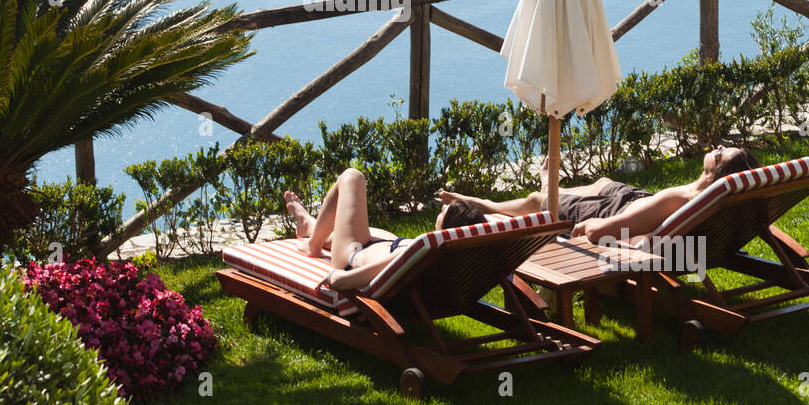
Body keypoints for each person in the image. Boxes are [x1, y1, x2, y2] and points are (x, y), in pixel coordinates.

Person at [438, 144, 760, 247]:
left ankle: (487, 205)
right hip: (630, 197)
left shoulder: (678, 201)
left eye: (720, 152)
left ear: (714, 170)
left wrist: (590, 227)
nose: (716, 148)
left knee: (542, 202)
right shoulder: (725, 199)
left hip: (616, 213)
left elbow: (603, 232)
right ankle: (552, 187)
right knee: (603, 181)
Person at [284, 169, 485, 291]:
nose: (442, 207)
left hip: (353, 255)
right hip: (387, 246)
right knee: (361, 231)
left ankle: (313, 244)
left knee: (352, 177)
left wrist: (334, 278)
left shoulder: (418, 253)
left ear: (448, 230)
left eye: (446, 211)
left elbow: (345, 280)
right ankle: (310, 225)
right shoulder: (454, 260)